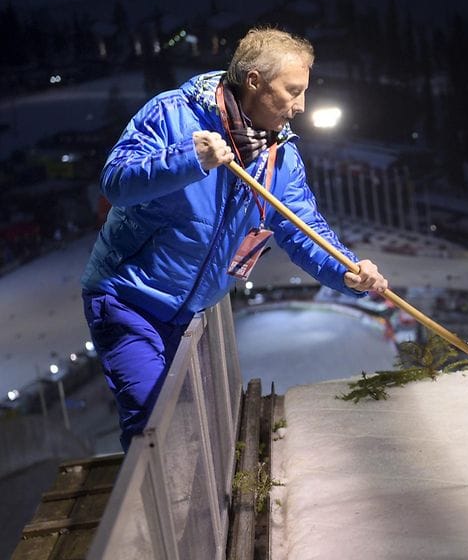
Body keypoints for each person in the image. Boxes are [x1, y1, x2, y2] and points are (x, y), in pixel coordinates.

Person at [81, 26, 388, 451]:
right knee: (152, 428)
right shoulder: (173, 115)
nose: (300, 106)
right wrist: (192, 158)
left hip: (190, 315)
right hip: (128, 301)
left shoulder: (281, 157)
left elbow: (303, 229)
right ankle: (161, 512)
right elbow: (116, 183)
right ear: (255, 81)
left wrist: (347, 272)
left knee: (191, 429)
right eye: (293, 91)